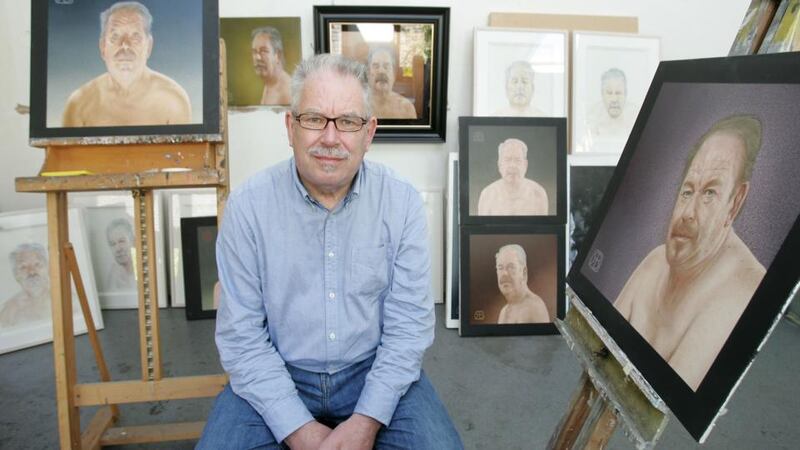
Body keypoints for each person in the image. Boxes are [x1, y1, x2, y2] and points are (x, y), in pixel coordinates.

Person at [198, 53, 462, 450]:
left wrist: (366, 422)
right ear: (290, 126)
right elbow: (241, 338)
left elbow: (408, 328)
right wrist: (299, 430)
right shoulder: (248, 207)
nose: (331, 138)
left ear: (369, 133)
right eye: (315, 119)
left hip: (373, 371)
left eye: (348, 122)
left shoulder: (401, 203)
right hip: (278, 370)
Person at [613, 114, 766, 391]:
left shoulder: (744, 289)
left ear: (735, 202)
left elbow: (663, 395)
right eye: (687, 191)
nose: (687, 214)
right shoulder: (655, 261)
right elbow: (599, 344)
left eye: (709, 193)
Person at [62, 1, 192, 127]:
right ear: (102, 47)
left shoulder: (173, 102)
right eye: (115, 37)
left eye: (135, 37)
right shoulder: (79, 105)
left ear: (149, 46)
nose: (125, 45)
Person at [477, 138, 549, 216]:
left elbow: (542, 228)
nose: (512, 165)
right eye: (507, 160)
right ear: (499, 164)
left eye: (517, 160)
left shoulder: (538, 194)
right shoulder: (488, 195)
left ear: (525, 165)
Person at [495, 245, 549, 324]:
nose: (504, 273)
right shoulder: (503, 312)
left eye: (511, 267)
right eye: (500, 268)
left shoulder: (535, 308)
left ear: (523, 272)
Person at [0, 244, 51, 328]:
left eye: (37, 264)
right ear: (16, 275)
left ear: (47, 268)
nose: (32, 272)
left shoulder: (68, 299)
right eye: (23, 267)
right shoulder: (9, 311)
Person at [585, 68, 639, 141]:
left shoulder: (636, 116)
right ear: (602, 94)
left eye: (618, 93)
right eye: (609, 93)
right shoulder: (591, 118)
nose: (614, 99)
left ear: (625, 94)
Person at [366, 47, 417, 119]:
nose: (381, 71)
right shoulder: (358, 105)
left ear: (394, 75)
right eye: (376, 66)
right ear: (368, 74)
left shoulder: (407, 109)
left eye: (386, 66)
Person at [251, 26, 292, 105]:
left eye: (264, 51)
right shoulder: (270, 81)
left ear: (278, 55)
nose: (257, 57)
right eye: (254, 52)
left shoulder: (287, 91)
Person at [105, 218, 136, 291]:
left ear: (132, 241)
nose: (118, 249)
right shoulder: (113, 275)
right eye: (112, 244)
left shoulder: (146, 269)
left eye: (121, 241)